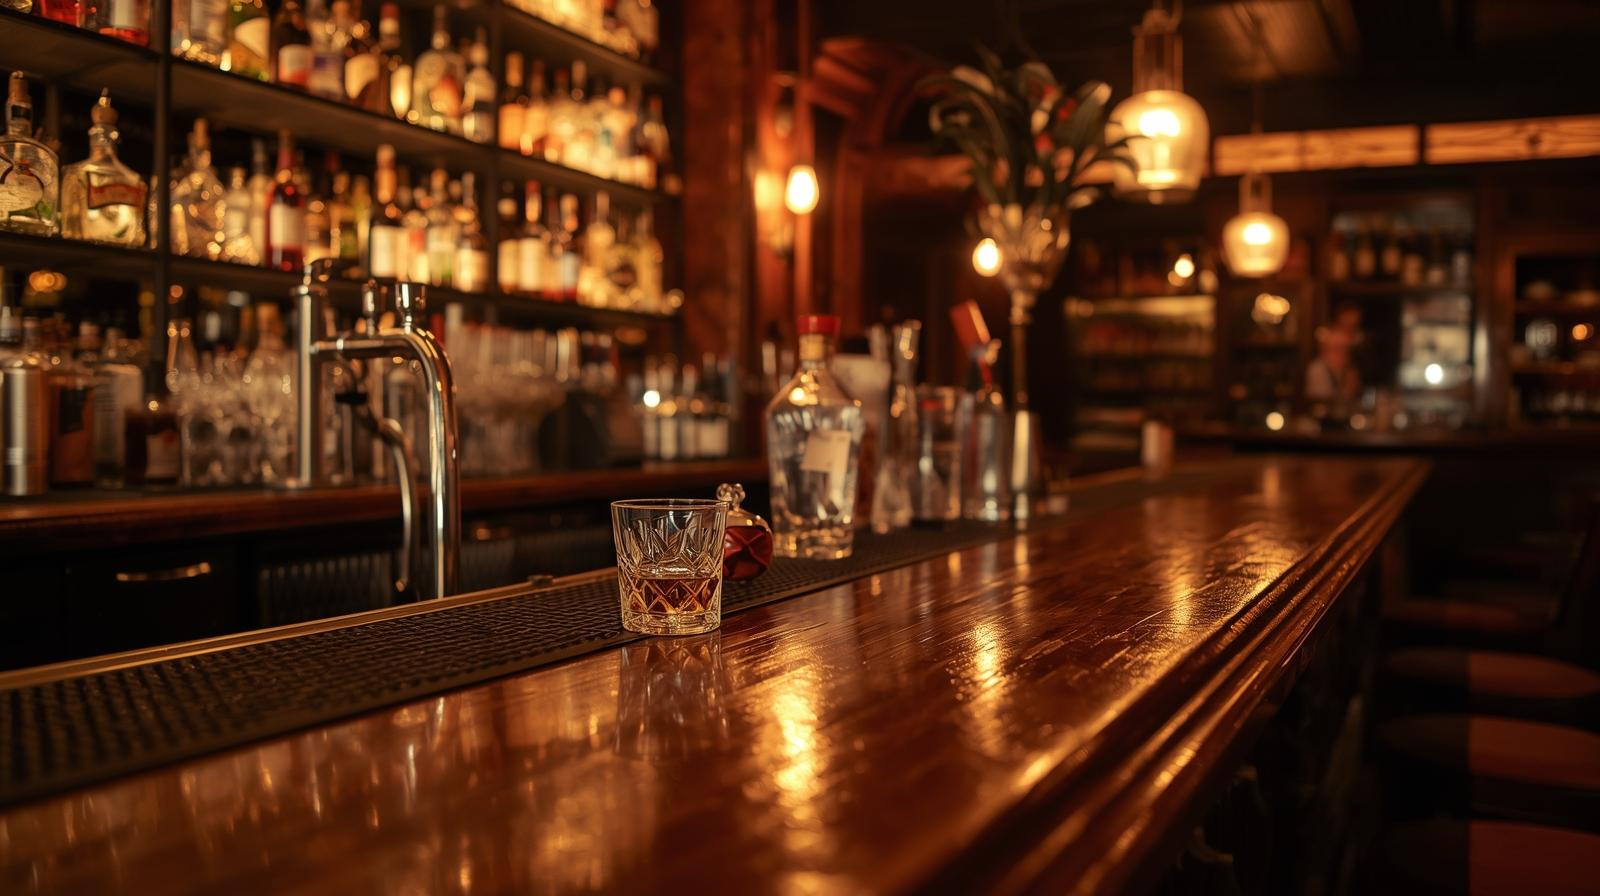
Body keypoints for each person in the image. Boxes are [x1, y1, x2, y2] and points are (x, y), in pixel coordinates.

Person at [1305, 302, 1364, 412]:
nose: (1343, 355)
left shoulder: (1349, 370)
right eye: (1338, 350)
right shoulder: (1318, 369)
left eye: (1346, 350)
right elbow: (1320, 405)